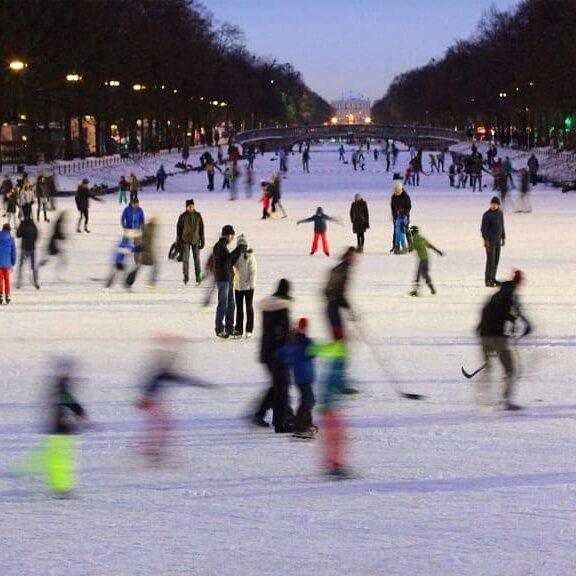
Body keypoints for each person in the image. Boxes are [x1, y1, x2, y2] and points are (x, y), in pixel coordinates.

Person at [136, 335, 212, 462]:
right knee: (164, 425)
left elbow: (185, 377)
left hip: (152, 403)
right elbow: (183, 376)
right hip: (151, 403)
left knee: (164, 425)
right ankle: (151, 448)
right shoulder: (163, 374)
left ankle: (151, 447)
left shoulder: (164, 373)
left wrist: (179, 347)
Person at [477, 270, 532, 411]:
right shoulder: (510, 295)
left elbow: (487, 312)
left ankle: (484, 398)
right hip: (496, 336)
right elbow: (515, 312)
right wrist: (523, 324)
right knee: (511, 370)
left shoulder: (496, 294)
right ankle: (505, 400)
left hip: (484, 335)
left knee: (489, 367)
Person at [44, 357, 89, 496]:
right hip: (60, 428)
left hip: (59, 426)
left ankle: (60, 486)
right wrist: (79, 411)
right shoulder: (62, 386)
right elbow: (67, 400)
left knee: (60, 459)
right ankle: (62, 488)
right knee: (61, 460)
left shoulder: (59, 385)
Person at [253, 278, 293, 432]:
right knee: (281, 386)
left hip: (266, 352)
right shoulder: (281, 309)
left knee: (277, 385)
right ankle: (278, 417)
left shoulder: (268, 308)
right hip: (278, 354)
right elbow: (280, 332)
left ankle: (275, 414)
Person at [279, 317, 317, 439]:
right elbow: (312, 353)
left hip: (304, 377)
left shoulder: (296, 342)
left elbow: (284, 354)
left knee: (308, 400)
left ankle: (306, 423)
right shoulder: (301, 342)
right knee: (308, 400)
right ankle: (300, 426)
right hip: (303, 377)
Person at [213, 224, 242, 338]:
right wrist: (237, 250)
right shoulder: (219, 246)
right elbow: (226, 259)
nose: (233, 238)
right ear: (227, 235)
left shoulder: (223, 247)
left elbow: (230, 261)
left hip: (229, 279)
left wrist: (239, 252)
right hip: (223, 279)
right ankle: (219, 329)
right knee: (223, 304)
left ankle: (229, 328)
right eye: (232, 236)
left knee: (231, 305)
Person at [324, 247, 357, 340]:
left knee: (339, 336)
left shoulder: (344, 269)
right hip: (332, 305)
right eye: (353, 256)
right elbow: (335, 290)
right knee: (338, 337)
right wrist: (347, 308)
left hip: (334, 304)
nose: (354, 259)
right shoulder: (341, 270)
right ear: (348, 256)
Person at [232, 234, 257, 338]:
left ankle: (249, 329)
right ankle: (239, 329)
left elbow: (253, 272)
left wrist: (251, 285)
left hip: (248, 287)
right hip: (238, 286)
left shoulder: (250, 256)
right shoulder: (235, 256)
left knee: (248, 307)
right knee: (239, 309)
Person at [176, 199, 205, 285]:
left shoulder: (198, 215)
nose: (190, 208)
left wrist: (202, 239)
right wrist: (179, 241)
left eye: (192, 206)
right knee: (186, 259)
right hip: (185, 240)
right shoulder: (182, 216)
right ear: (186, 207)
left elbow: (201, 228)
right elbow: (179, 229)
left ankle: (198, 275)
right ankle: (186, 275)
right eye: (189, 206)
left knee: (197, 259)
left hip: (196, 240)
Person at [408, 225, 443, 296]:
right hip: (426, 259)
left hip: (422, 260)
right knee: (424, 274)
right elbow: (430, 245)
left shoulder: (414, 239)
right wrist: (438, 251)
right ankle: (432, 289)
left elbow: (410, 249)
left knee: (418, 275)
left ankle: (416, 291)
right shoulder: (421, 238)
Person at [481, 196, 505, 287]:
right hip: (490, 242)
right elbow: (483, 229)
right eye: (492, 204)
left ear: (498, 205)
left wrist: (503, 237)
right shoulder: (487, 215)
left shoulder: (500, 213)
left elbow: (502, 226)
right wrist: (485, 240)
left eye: (496, 204)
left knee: (496, 260)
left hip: (498, 240)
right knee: (490, 261)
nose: (494, 206)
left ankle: (493, 278)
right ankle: (488, 280)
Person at [16, 215, 40, 289]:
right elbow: (37, 235)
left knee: (21, 265)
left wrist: (20, 226)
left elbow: (18, 235)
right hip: (32, 248)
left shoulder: (23, 225)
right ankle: (35, 281)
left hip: (24, 248)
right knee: (33, 266)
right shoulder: (33, 226)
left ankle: (19, 282)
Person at [391, 180, 412, 254]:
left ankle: (410, 246)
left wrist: (404, 214)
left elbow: (409, 207)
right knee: (396, 231)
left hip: (405, 217)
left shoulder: (406, 196)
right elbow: (393, 207)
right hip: (397, 217)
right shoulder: (393, 197)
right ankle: (395, 246)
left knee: (405, 230)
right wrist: (394, 216)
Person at [0, 223, 16, 304]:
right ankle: (7, 295)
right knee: (7, 279)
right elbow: (13, 252)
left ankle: (0, 296)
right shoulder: (11, 238)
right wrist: (13, 262)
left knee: (0, 279)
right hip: (7, 263)